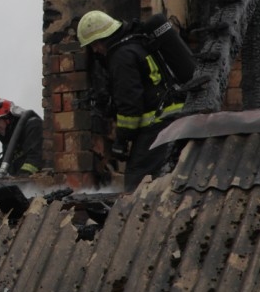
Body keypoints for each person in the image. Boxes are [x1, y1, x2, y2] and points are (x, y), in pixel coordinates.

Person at [77, 10, 184, 191]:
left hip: (159, 124)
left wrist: (121, 140)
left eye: (94, 44)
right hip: (171, 118)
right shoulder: (134, 44)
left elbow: (131, 108)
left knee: (137, 180)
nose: (95, 50)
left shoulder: (121, 57)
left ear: (103, 39)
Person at [0, 97, 44, 177]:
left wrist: (21, 177)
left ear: (6, 117)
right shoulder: (8, 138)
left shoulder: (32, 126)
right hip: (28, 182)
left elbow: (36, 159)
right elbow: (11, 169)